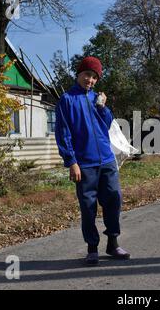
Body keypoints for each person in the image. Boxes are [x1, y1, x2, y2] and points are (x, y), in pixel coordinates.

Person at [55, 56, 130, 266]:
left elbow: (107, 125)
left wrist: (103, 107)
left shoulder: (97, 99)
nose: (90, 80)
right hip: (84, 164)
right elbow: (63, 132)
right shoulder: (67, 100)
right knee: (88, 207)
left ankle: (113, 243)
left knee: (114, 201)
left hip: (106, 160)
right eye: (87, 74)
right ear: (79, 74)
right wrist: (71, 161)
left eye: (94, 77)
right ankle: (92, 248)